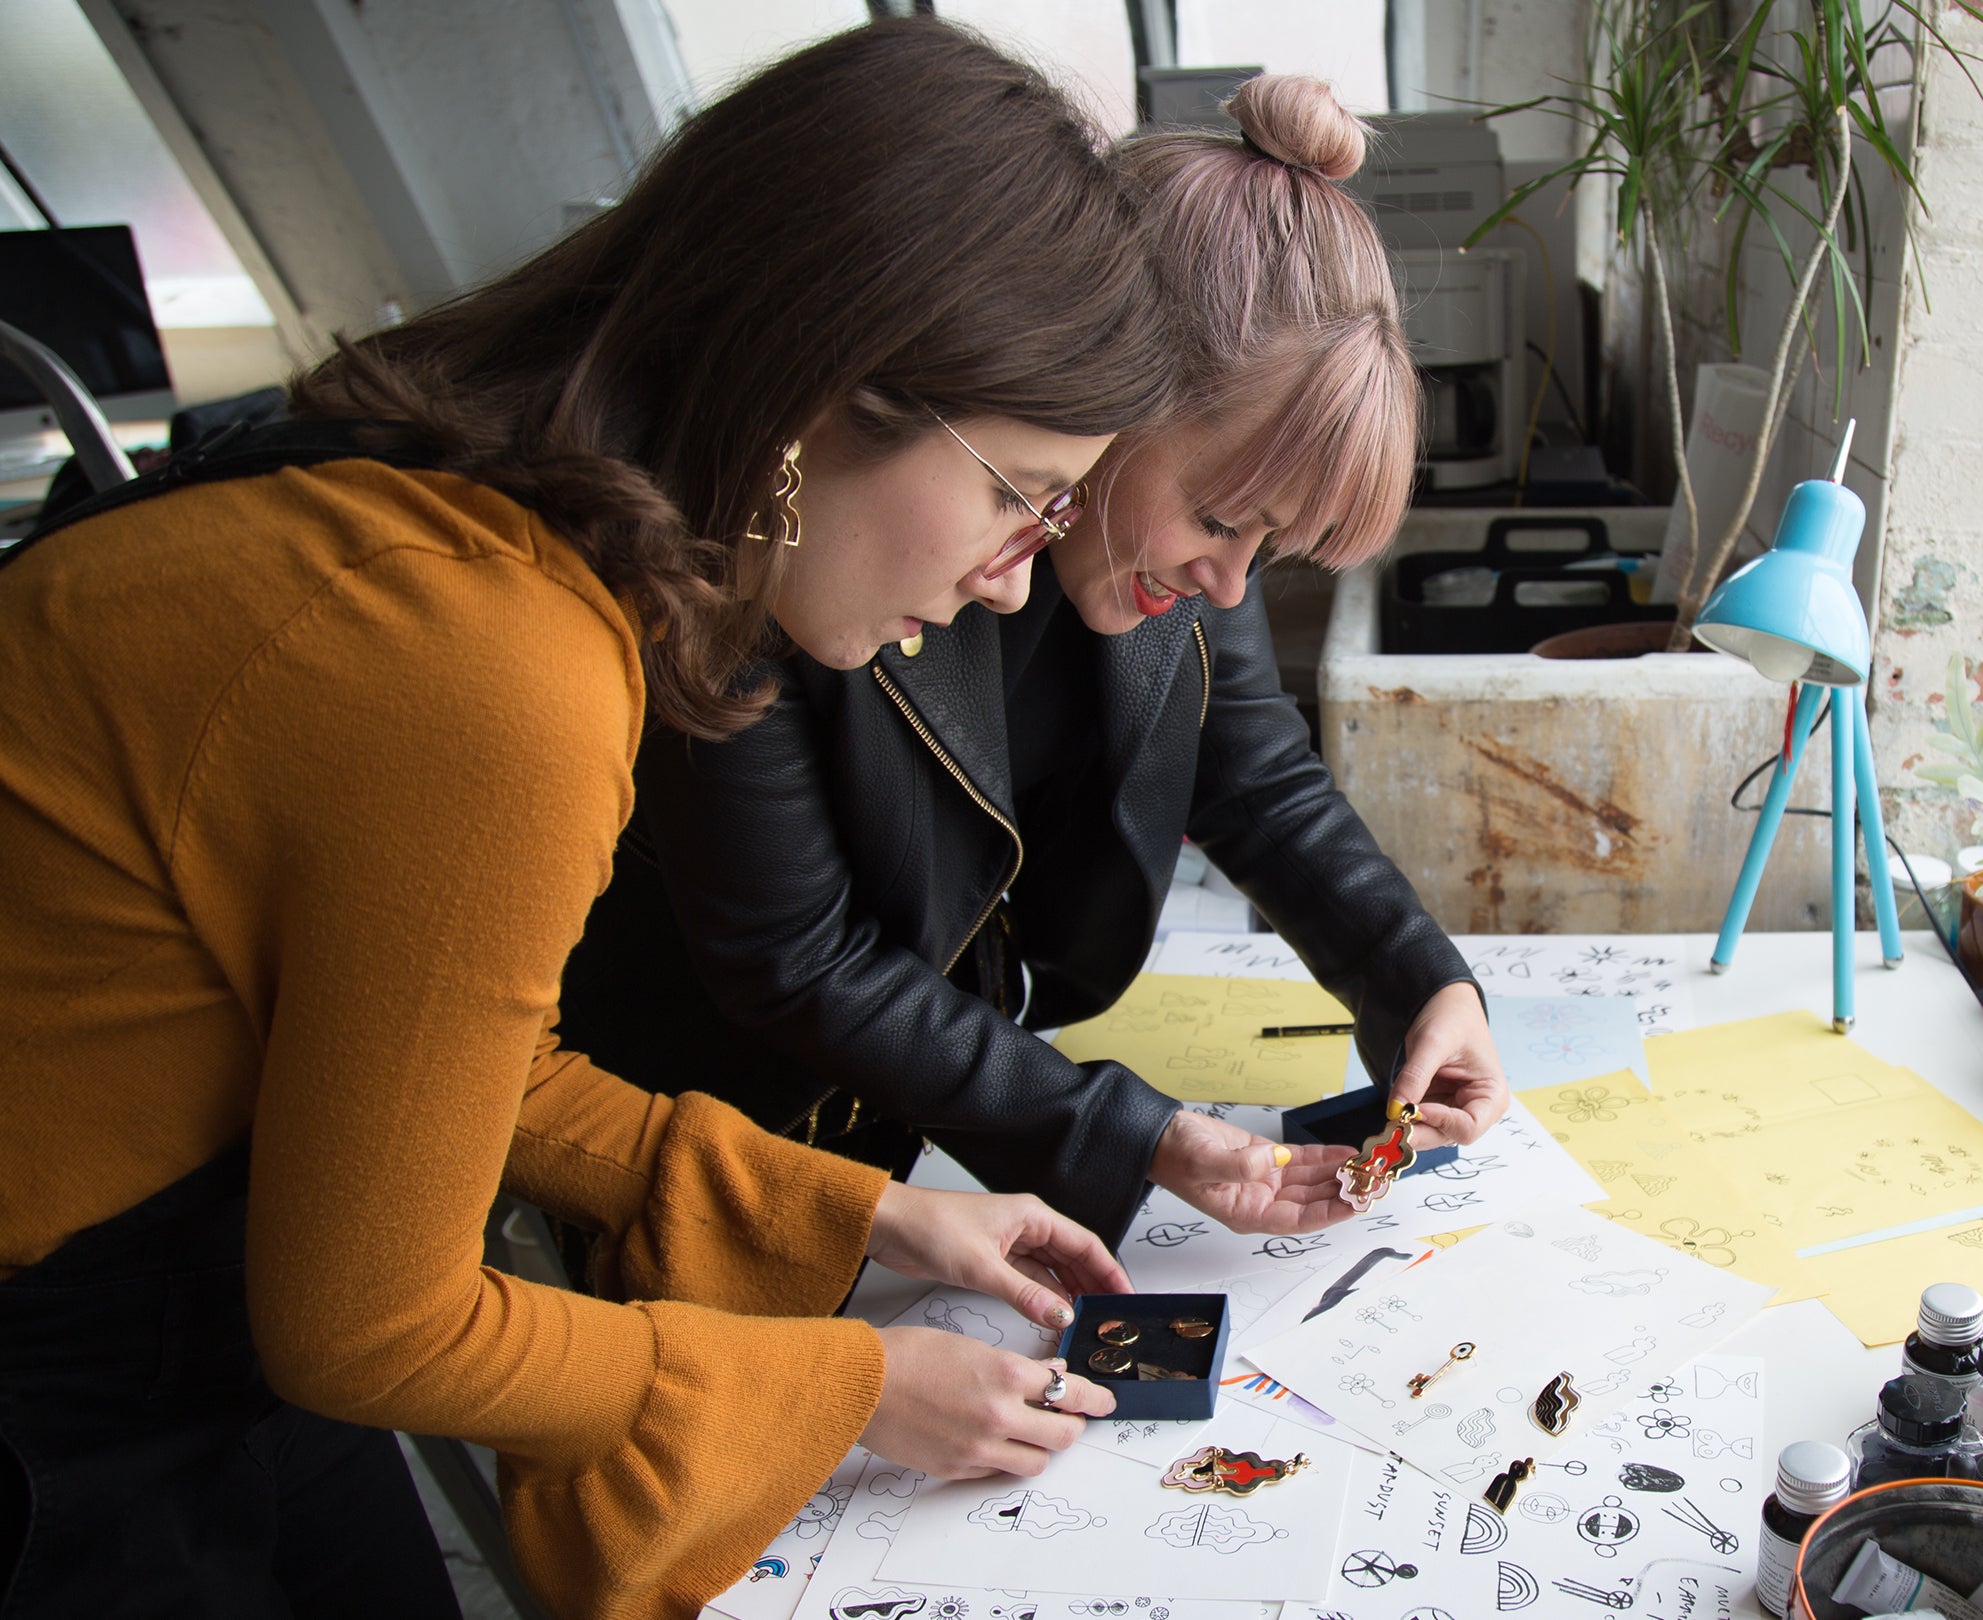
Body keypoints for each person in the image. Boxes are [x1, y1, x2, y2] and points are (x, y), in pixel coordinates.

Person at [0, 24, 1184, 1618]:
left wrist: (866, 1209)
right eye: (1018, 493)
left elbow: (448, 1076)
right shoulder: (497, 669)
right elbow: (372, 1324)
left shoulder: (458, 503)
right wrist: (847, 1386)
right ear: (821, 391)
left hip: (191, 1295)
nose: (1018, 576)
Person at [557, 76, 1509, 1249]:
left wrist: (1420, 981)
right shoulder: (793, 550)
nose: (1229, 581)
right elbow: (796, 955)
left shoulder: (1188, 559)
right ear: (1107, 392)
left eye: (1274, 549)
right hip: (707, 1146)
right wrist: (1127, 1133)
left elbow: (1260, 781)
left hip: (925, 1135)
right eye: (1219, 517)